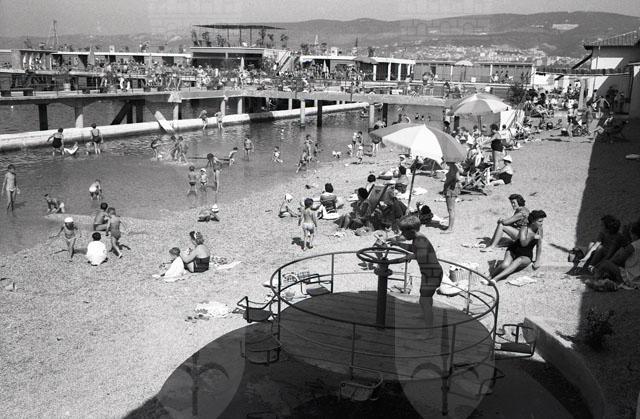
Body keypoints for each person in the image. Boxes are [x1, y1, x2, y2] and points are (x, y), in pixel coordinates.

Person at [388, 215, 443, 329]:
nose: (402, 234)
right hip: (429, 273)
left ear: (411, 231)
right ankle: (425, 315)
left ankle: (429, 331)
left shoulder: (420, 240)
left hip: (432, 275)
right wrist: (398, 243)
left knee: (424, 301)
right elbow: (413, 248)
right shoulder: (417, 238)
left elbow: (420, 255)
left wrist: (408, 257)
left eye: (404, 232)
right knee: (425, 297)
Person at [484, 210, 547, 284]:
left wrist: (537, 260)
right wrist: (532, 237)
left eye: (542, 221)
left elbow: (539, 245)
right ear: (533, 221)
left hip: (526, 255)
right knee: (505, 265)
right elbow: (523, 243)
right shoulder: (524, 229)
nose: (542, 223)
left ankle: (495, 279)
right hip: (513, 250)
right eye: (540, 221)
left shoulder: (540, 229)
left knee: (518, 260)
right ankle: (490, 276)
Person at [441, 162, 462, 233]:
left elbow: (457, 178)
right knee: (450, 209)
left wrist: (449, 182)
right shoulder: (454, 166)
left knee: (451, 209)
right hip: (451, 189)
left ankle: (450, 229)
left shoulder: (454, 166)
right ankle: (450, 226)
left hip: (451, 189)